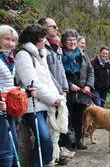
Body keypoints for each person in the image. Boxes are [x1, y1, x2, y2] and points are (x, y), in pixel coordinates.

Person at [15, 24, 63, 167]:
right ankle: (47, 162)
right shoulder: (23, 55)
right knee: (44, 138)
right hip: (32, 105)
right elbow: (32, 83)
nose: (46, 41)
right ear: (35, 40)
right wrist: (52, 98)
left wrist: (58, 96)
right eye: (43, 38)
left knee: (44, 140)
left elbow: (48, 80)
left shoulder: (40, 54)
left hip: (45, 104)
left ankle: (40, 163)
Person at [37, 17, 71, 164]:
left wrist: (65, 88)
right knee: (51, 127)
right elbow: (47, 74)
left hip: (60, 92)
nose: (57, 30)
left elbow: (60, 70)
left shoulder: (56, 47)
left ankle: (56, 156)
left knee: (58, 127)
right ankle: (49, 158)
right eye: (53, 27)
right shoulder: (43, 48)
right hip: (50, 93)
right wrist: (59, 90)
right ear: (44, 28)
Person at [61, 29, 94, 150]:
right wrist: (69, 85)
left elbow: (90, 71)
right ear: (64, 42)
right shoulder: (60, 55)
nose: (72, 42)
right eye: (69, 40)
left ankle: (78, 141)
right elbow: (58, 74)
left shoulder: (83, 55)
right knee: (67, 118)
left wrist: (88, 86)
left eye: (74, 40)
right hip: (67, 92)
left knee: (79, 118)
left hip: (82, 93)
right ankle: (68, 143)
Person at [0, 25, 20, 166]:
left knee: (14, 147)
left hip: (9, 107)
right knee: (6, 150)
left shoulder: (9, 58)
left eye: (13, 40)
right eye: (7, 39)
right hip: (1, 108)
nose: (10, 43)